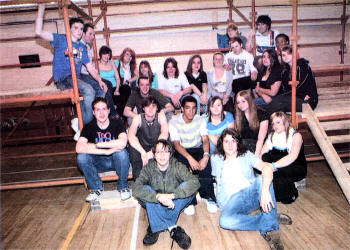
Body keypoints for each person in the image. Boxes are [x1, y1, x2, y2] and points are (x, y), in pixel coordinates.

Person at [211, 128, 284, 250]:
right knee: (225, 222)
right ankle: (269, 217)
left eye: (233, 141)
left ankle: (270, 229)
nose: (230, 145)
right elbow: (217, 182)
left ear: (238, 143)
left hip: (251, 195)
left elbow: (267, 169)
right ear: (221, 144)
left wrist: (265, 192)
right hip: (232, 201)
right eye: (226, 141)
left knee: (262, 179)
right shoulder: (215, 159)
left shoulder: (246, 155)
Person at [35, 4, 107, 125]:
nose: (79, 31)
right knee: (89, 91)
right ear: (69, 29)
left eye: (81, 28)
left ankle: (85, 119)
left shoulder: (82, 47)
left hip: (77, 77)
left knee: (101, 89)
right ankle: (83, 125)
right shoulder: (61, 39)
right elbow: (38, 31)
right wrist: (41, 8)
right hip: (64, 78)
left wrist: (100, 80)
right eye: (76, 28)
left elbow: (90, 67)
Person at [133, 139, 200, 249]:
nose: (162, 155)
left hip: (174, 201)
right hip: (155, 202)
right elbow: (136, 187)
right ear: (154, 155)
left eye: (165, 151)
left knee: (187, 187)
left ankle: (155, 227)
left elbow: (195, 182)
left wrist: (173, 195)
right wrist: (157, 197)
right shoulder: (149, 168)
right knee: (146, 189)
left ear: (170, 154)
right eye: (158, 152)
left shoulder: (177, 166)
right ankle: (173, 228)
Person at [76, 97, 131, 202]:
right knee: (81, 157)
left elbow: (123, 142)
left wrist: (96, 145)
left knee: (122, 153)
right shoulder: (89, 127)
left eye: (104, 109)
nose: (101, 113)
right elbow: (79, 147)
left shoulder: (117, 123)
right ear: (93, 112)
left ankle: (123, 187)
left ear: (109, 110)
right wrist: (104, 149)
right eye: (98, 110)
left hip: (116, 161)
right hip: (99, 163)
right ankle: (96, 188)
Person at [169, 96, 217, 215]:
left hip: (197, 148)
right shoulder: (173, 121)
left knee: (206, 165)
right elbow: (176, 144)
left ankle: (208, 196)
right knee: (181, 167)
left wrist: (206, 156)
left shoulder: (200, 119)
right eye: (188, 108)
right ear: (182, 109)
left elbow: (205, 140)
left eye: (194, 108)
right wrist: (190, 159)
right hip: (182, 149)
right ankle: (189, 201)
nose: (191, 111)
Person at [260, 112, 307, 204]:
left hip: (294, 165)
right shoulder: (271, 136)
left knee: (278, 172)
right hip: (277, 164)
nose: (274, 125)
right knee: (266, 158)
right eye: (273, 123)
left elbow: (292, 157)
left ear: (285, 122)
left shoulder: (296, 136)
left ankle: (290, 194)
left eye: (278, 122)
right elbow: (263, 153)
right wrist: (264, 165)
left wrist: (272, 166)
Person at [264, 45, 318, 114]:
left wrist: (302, 95)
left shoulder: (303, 66)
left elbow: (302, 85)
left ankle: (265, 120)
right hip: (295, 97)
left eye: (288, 54)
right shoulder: (285, 71)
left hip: (308, 100)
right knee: (275, 101)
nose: (285, 57)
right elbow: (285, 88)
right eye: (283, 55)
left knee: (278, 102)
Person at [128, 97, 169, 179]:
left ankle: (164, 179)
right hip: (141, 147)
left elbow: (164, 134)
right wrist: (143, 153)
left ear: (157, 108)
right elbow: (131, 136)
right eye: (147, 106)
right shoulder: (138, 118)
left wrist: (152, 152)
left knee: (167, 145)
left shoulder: (160, 116)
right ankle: (139, 181)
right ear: (143, 108)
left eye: (153, 106)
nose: (150, 109)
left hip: (156, 147)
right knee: (133, 149)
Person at [235, 90, 269, 156]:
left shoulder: (262, 114)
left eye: (243, 101)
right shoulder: (238, 116)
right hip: (245, 147)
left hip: (260, 147)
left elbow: (260, 140)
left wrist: (256, 157)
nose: (240, 105)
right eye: (238, 102)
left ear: (249, 100)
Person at [113, 47, 139, 117]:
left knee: (127, 89)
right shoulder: (116, 63)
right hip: (118, 88)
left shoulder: (132, 65)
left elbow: (137, 75)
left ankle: (121, 115)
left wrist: (128, 81)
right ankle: (121, 115)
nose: (129, 57)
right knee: (124, 89)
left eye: (131, 56)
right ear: (123, 54)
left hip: (129, 89)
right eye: (127, 54)